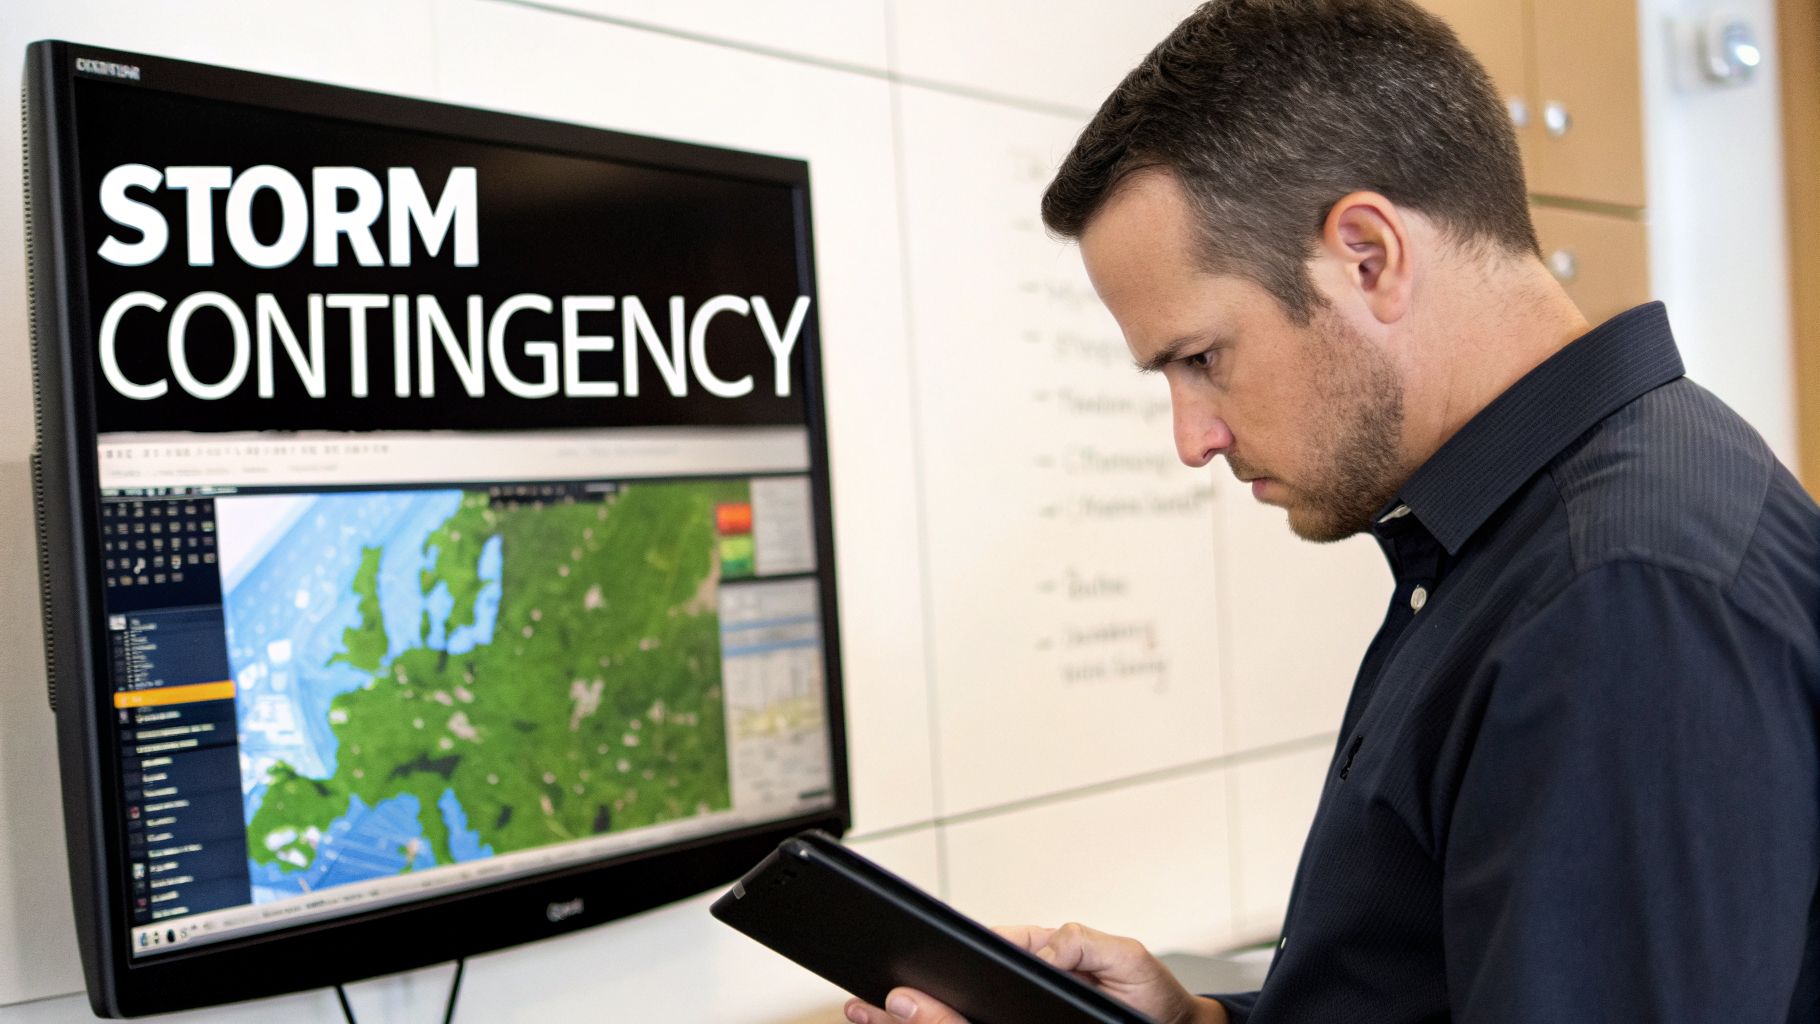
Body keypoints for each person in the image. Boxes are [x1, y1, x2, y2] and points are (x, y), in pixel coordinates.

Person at [843, 0, 1820, 1021]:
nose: (1191, 438)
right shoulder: (1530, 545)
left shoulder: (1616, 596)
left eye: (1199, 359)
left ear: (1367, 256)